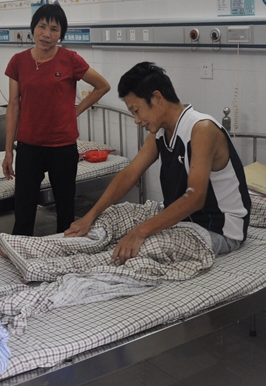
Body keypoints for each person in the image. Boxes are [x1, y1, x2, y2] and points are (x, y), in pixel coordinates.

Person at [65, 62, 251, 262]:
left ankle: (92, 268)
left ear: (157, 98)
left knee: (145, 248)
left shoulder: (202, 129)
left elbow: (195, 197)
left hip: (217, 229)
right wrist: (89, 217)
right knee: (111, 217)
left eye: (137, 111)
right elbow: (129, 175)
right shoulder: (160, 133)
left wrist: (140, 232)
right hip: (181, 220)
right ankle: (68, 252)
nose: (137, 120)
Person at [2, 4, 111, 236]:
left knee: (65, 210)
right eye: (42, 27)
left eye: (54, 29)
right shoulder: (18, 62)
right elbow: (13, 106)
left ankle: (65, 250)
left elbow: (103, 86)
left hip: (62, 146)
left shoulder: (70, 59)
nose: (46, 34)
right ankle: (19, 249)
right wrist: (8, 151)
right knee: (24, 210)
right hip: (29, 145)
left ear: (61, 34)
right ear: (33, 28)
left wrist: (75, 111)